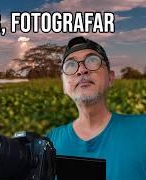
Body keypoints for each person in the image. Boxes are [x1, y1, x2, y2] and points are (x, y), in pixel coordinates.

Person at [47, 36, 146, 180]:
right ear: (63, 86)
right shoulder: (51, 141)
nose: (82, 70)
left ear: (111, 78)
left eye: (92, 61)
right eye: (70, 65)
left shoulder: (142, 129)